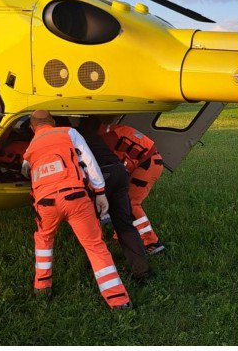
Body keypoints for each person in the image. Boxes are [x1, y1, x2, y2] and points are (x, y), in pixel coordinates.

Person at [22, 110, 132, 310]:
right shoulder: (68, 133)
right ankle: (118, 300)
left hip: (45, 204)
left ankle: (42, 287)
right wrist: (99, 191)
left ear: (31, 128)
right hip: (75, 198)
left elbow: (26, 170)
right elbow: (89, 161)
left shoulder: (29, 149)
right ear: (53, 122)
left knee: (44, 241)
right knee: (95, 246)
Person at [76, 116, 152, 280]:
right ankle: (142, 271)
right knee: (125, 224)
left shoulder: (66, 136)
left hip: (101, 174)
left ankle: (99, 269)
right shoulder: (92, 136)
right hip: (119, 172)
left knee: (92, 227)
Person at [99, 121, 166, 255]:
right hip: (147, 161)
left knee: (131, 203)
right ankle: (119, 234)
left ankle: (151, 242)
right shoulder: (107, 130)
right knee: (122, 199)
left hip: (147, 164)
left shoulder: (105, 138)